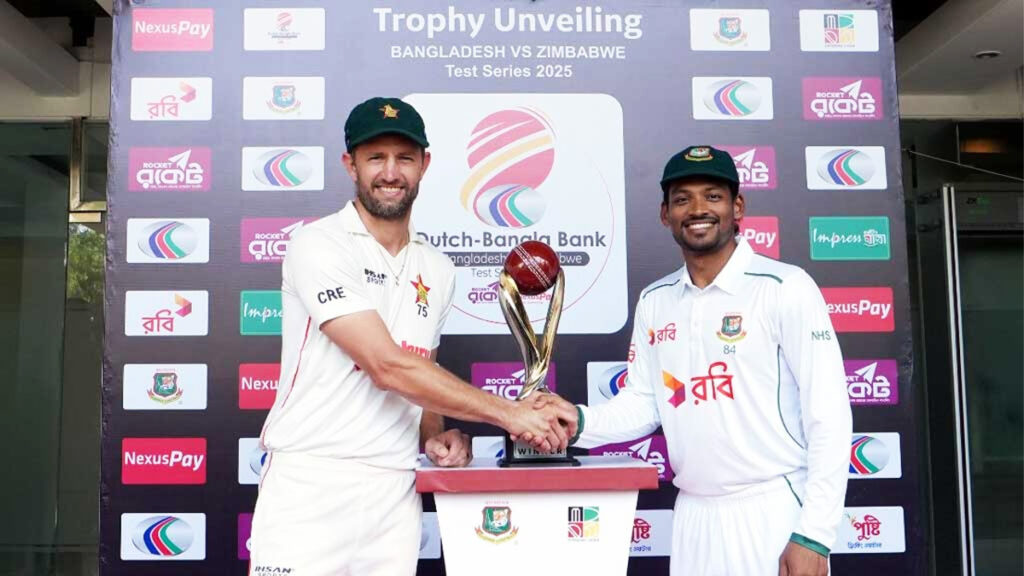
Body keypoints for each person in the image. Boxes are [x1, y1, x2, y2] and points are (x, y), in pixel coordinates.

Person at [249, 96, 577, 576]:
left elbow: (422, 372)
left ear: (424, 164)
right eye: (375, 158)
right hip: (312, 483)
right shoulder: (318, 243)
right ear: (350, 165)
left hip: (396, 490)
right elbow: (388, 367)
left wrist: (436, 436)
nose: (390, 172)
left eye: (404, 158)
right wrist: (510, 413)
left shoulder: (437, 268)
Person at [537, 145, 852, 575]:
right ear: (665, 214)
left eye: (713, 196)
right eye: (682, 199)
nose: (698, 209)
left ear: (737, 207)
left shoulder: (785, 287)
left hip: (773, 508)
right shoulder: (655, 300)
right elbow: (646, 403)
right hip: (694, 515)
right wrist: (578, 421)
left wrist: (814, 534)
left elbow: (829, 415)